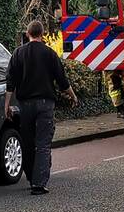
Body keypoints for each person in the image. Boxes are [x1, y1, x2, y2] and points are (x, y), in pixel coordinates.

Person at [5, 20, 79, 195]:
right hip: (46, 105)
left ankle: (31, 176)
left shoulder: (18, 54)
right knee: (43, 144)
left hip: (25, 105)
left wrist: (6, 105)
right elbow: (62, 81)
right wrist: (73, 96)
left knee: (28, 142)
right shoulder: (50, 54)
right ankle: (39, 183)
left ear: (27, 33)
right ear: (43, 34)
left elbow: (10, 82)